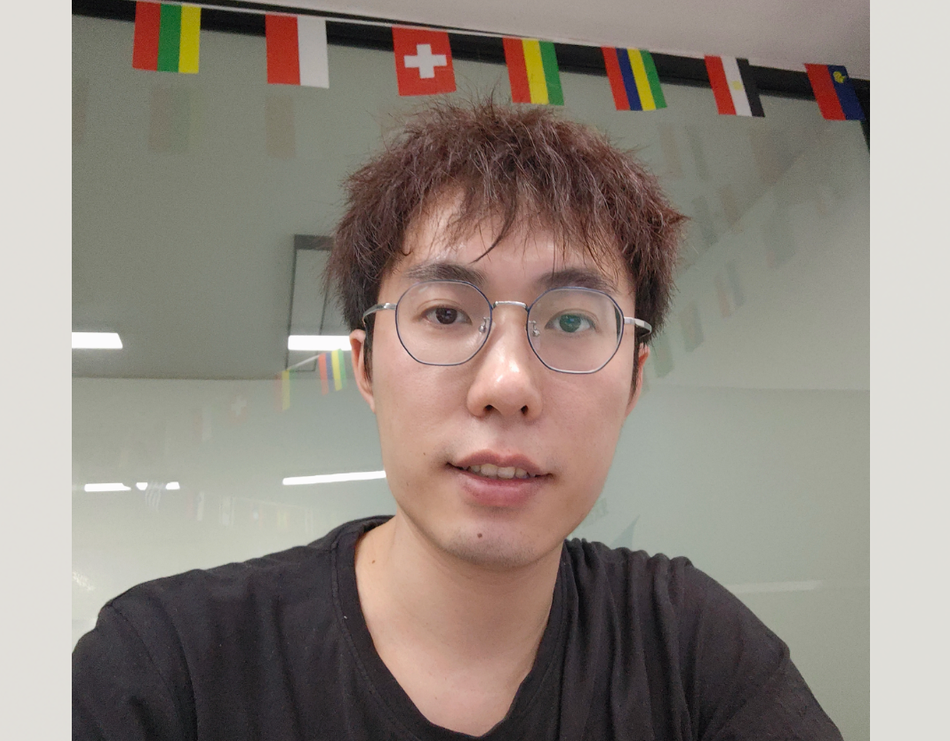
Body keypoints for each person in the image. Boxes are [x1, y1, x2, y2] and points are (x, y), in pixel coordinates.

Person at [73, 99, 842, 740]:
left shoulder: (691, 647)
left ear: (635, 378)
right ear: (366, 365)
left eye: (571, 322)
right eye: (445, 312)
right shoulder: (166, 666)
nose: (507, 385)